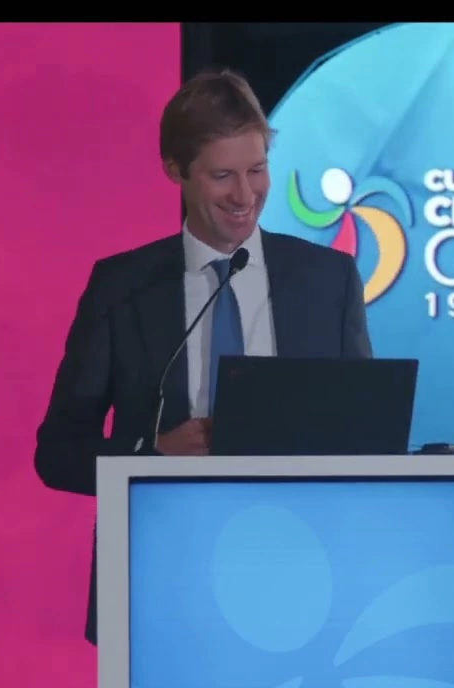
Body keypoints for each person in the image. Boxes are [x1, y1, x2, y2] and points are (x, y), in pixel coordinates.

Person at [32, 67, 374, 646]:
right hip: (162, 584)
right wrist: (153, 455)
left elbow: (365, 434)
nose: (245, 195)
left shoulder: (329, 280)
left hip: (303, 585)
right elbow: (58, 453)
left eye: (257, 170)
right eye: (222, 176)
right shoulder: (122, 287)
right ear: (175, 170)